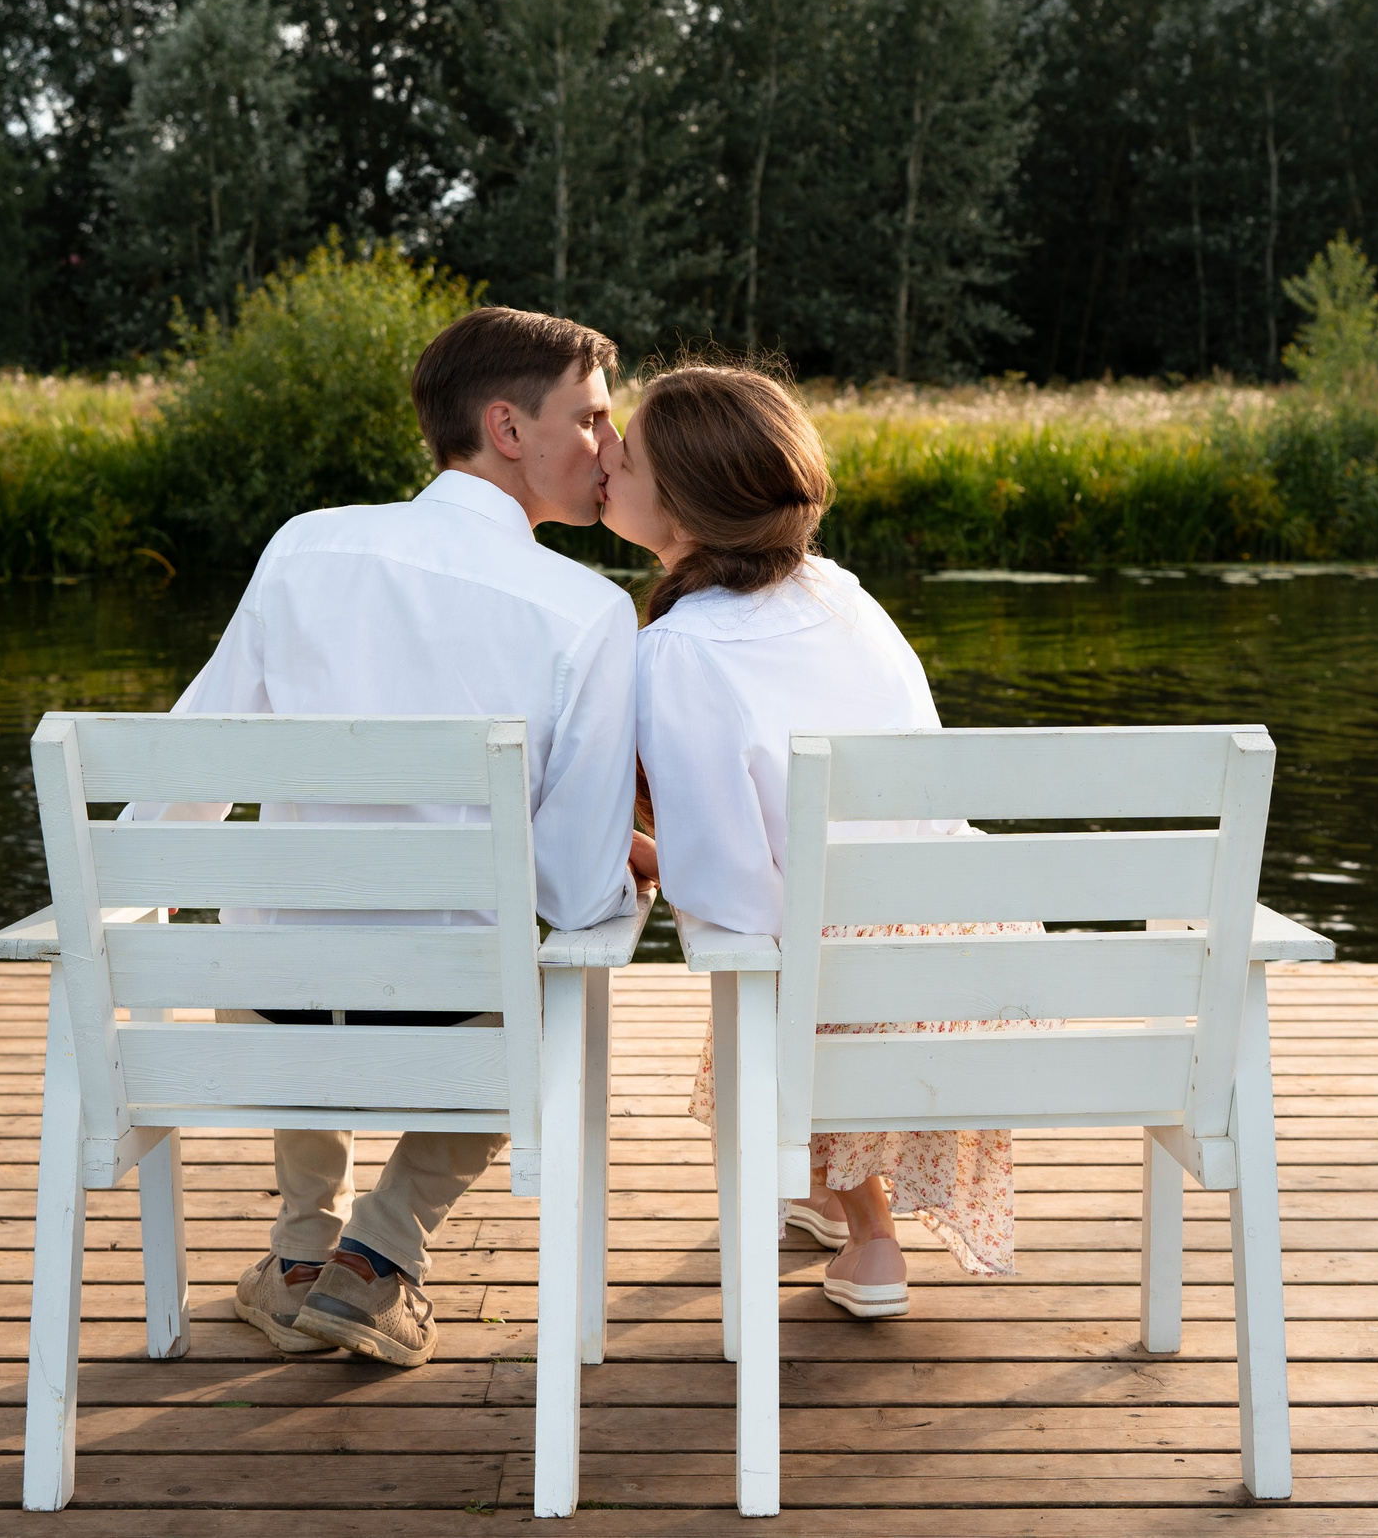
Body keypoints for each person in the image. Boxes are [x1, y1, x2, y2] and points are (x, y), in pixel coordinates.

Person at [138, 307, 650, 1368]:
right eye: (593, 418)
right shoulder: (586, 610)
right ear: (507, 428)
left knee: (288, 906)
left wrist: (122, 895)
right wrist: (633, 876)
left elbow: (194, 766)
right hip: (453, 1025)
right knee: (582, 952)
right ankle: (381, 1250)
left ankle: (294, 1255)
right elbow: (571, 882)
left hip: (269, 1009)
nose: (610, 446)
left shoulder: (304, 543)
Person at [601, 363, 1042, 1319]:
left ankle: (876, 1244)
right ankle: (831, 1200)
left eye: (624, 453)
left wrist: (637, 856)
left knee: (767, 955)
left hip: (844, 991)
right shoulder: (841, 590)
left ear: (677, 502)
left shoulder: (678, 649)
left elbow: (732, 897)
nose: (605, 460)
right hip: (962, 951)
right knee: (824, 926)